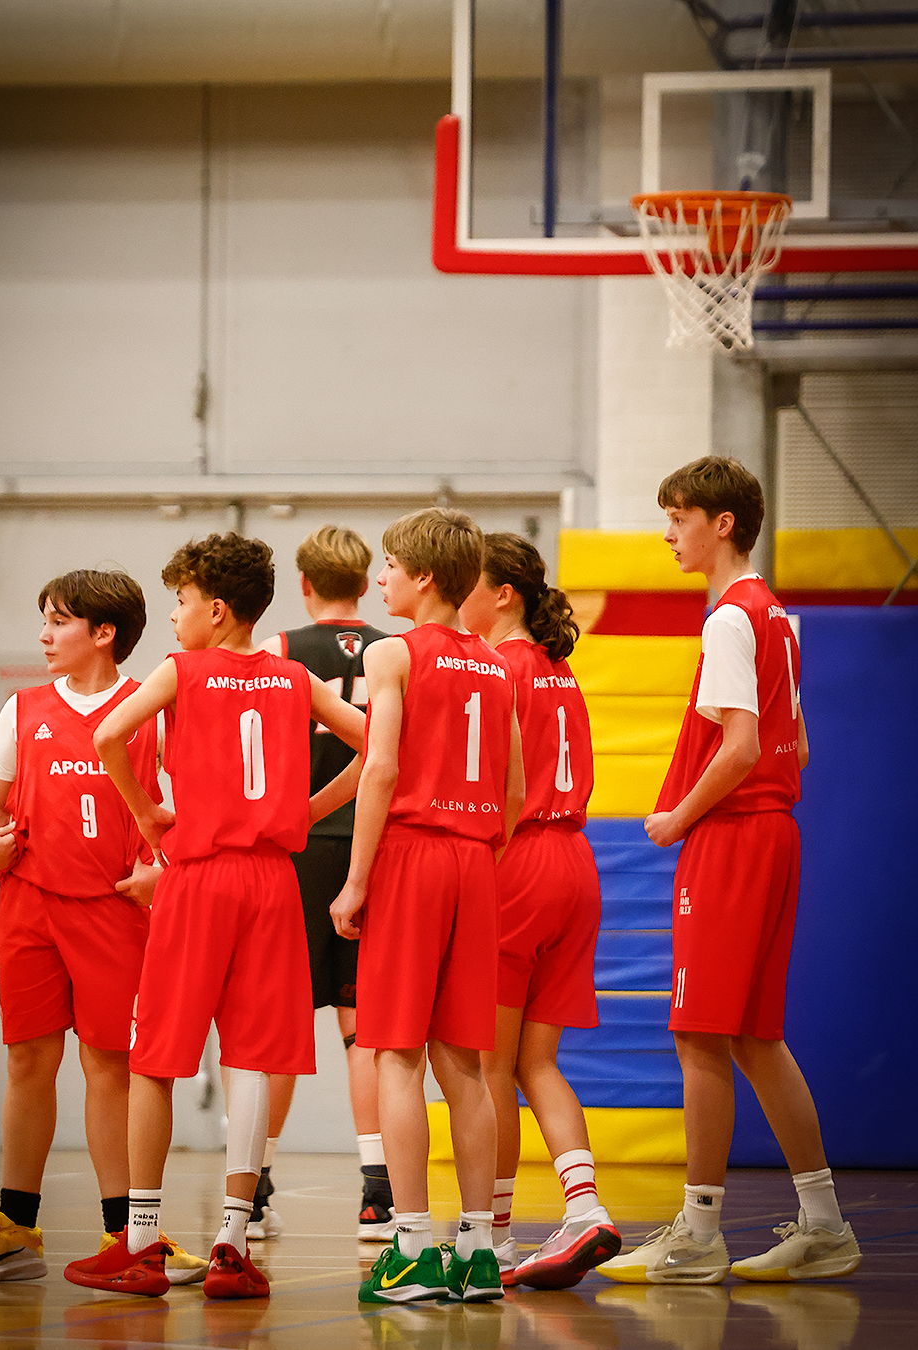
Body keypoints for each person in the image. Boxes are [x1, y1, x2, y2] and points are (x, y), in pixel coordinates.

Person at [62, 533, 366, 1299]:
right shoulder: (293, 676)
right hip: (273, 880)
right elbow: (377, 744)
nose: (174, 616)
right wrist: (308, 810)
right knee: (251, 1057)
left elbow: (106, 735)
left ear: (217, 610)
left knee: (155, 1058)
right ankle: (233, 1242)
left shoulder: (183, 670)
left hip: (198, 878)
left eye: (182, 600)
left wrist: (147, 813)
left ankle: (139, 1242)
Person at [597, 456, 861, 1285]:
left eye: (678, 517)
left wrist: (679, 815)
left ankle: (699, 1234)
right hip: (774, 835)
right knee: (752, 1036)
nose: (667, 533)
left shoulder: (728, 619)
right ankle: (825, 1226)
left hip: (734, 837)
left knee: (699, 1033)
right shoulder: (777, 615)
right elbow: (797, 746)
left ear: (722, 524)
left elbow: (743, 748)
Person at [0, 569, 204, 1286]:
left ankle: (129, 1235)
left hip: (114, 909)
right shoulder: (23, 708)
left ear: (104, 633)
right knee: (27, 1061)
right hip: (28, 905)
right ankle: (15, 1231)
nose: (43, 635)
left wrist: (165, 868)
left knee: (110, 1067)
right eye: (45, 620)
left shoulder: (152, 707)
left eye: (58, 621)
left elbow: (197, 809)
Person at [327, 507, 525, 1305]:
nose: (380, 579)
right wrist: (476, 858)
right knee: (466, 1066)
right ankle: (478, 1251)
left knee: (396, 1056)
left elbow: (379, 770)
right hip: (475, 860)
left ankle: (410, 1249)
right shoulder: (498, 665)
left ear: (425, 577)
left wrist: (357, 879)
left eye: (390, 566)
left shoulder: (392, 653)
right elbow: (514, 791)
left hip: (412, 854)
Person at [459, 533, 621, 1290]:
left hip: (518, 861)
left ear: (503, 595)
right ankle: (584, 1207)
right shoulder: (560, 669)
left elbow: (496, 783)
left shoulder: (496, 667)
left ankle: (491, 1238)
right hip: (575, 865)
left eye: (468, 582)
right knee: (537, 1061)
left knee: (489, 1063)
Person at [255, 526, 392, 1243]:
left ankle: (254, 1188)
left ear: (303, 585)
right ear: (366, 585)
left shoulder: (277, 651)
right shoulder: (392, 651)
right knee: (362, 1025)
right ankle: (377, 1193)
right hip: (371, 847)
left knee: (279, 1022)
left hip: (299, 848)